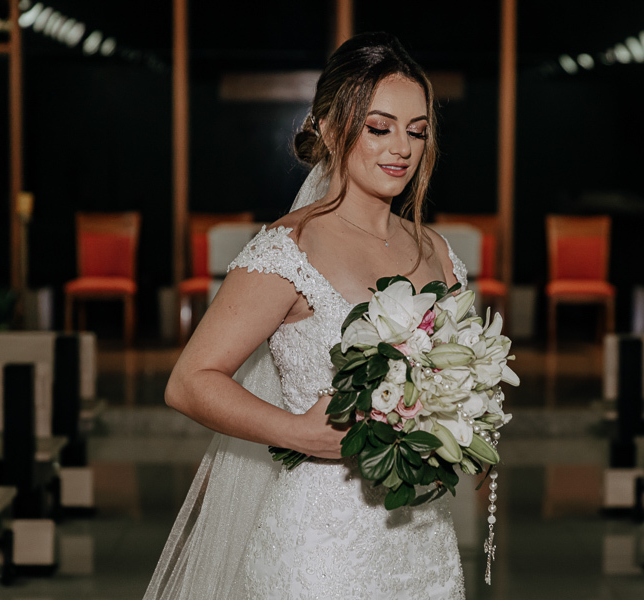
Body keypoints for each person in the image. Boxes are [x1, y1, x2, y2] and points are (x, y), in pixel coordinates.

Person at [143, 32, 467, 599]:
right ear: (329, 127)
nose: (402, 148)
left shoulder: (436, 251)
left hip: (422, 542)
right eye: (379, 127)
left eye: (416, 131)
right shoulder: (290, 249)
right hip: (318, 549)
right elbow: (189, 383)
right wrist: (298, 433)